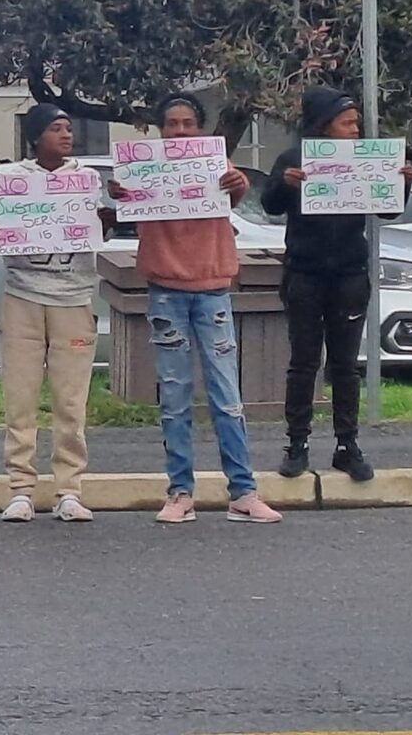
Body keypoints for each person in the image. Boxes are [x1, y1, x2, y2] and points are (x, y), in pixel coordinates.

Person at [110, 94, 281, 524]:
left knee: (227, 395)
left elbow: (236, 193)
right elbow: (126, 208)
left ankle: (243, 491)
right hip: (165, 290)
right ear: (160, 129)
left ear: (200, 129)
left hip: (213, 290)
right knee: (174, 396)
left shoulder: (217, 167)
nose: (180, 131)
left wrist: (236, 183)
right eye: (172, 123)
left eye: (188, 123)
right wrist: (121, 194)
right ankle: (180, 492)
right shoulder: (144, 170)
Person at [262, 86, 412, 482]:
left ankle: (347, 445)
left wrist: (403, 182)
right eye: (347, 123)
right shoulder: (294, 159)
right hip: (304, 274)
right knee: (303, 362)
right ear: (324, 125)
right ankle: (297, 444)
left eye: (356, 123)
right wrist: (284, 184)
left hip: (349, 274)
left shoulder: (366, 159)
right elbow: (270, 205)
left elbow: (387, 210)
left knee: (345, 365)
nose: (355, 130)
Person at [0, 104, 103, 524]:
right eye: (56, 128)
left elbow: (101, 222)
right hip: (22, 298)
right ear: (35, 137)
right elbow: (1, 226)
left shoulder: (88, 179)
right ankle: (20, 489)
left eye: (68, 128)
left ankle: (69, 490)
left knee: (71, 401)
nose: (66, 135)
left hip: (73, 299)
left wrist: (108, 216)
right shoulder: (12, 180)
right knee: (19, 399)